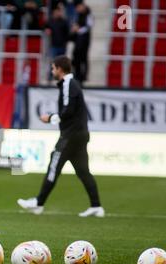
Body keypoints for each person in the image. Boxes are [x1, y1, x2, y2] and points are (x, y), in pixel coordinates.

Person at [17, 55, 104, 218]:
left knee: (54, 164)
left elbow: (68, 111)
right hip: (80, 134)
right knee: (83, 171)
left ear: (60, 69)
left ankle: (38, 202)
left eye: (53, 68)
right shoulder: (72, 85)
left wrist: (50, 118)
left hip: (71, 135)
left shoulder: (68, 84)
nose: (52, 71)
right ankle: (96, 206)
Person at [70, 1, 93, 84]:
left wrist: (78, 30)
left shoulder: (88, 13)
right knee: (75, 58)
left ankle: (83, 76)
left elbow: (89, 26)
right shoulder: (77, 15)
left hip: (84, 41)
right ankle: (77, 74)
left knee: (83, 58)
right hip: (77, 40)